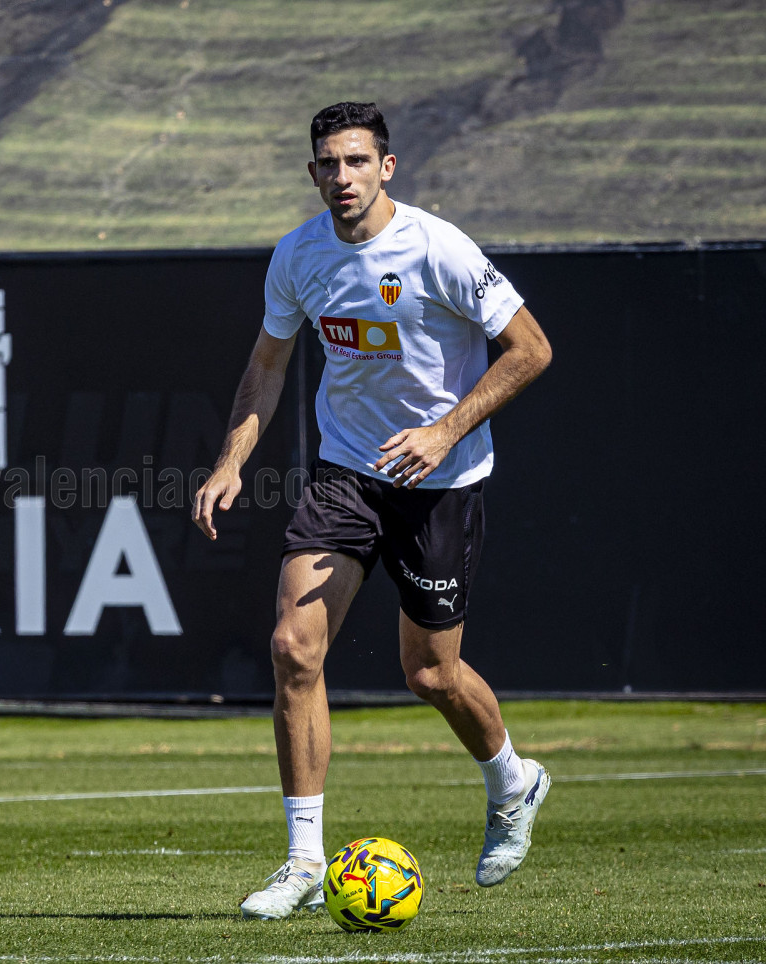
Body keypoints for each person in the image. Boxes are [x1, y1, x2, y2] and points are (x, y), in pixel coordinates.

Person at [192, 101, 554, 919]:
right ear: (312, 172)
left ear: (386, 167)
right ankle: (304, 861)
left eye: (357, 161)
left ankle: (514, 782)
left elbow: (531, 349)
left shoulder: (438, 247)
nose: (342, 176)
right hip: (347, 475)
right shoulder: (298, 255)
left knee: (430, 674)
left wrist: (444, 431)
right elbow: (268, 367)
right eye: (328, 163)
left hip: (442, 482)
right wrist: (231, 461)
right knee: (293, 647)